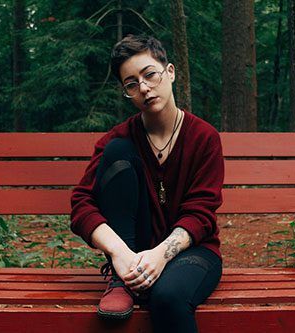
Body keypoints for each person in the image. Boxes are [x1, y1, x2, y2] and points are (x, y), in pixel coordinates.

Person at [70, 34, 224, 333]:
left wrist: (160, 255)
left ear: (170, 72)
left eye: (149, 74)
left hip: (194, 251)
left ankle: (132, 278)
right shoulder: (117, 139)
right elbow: (81, 204)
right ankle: (120, 280)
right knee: (118, 152)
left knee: (167, 295)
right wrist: (120, 255)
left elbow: (202, 212)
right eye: (131, 84)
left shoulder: (204, 137)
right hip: (131, 254)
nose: (143, 87)